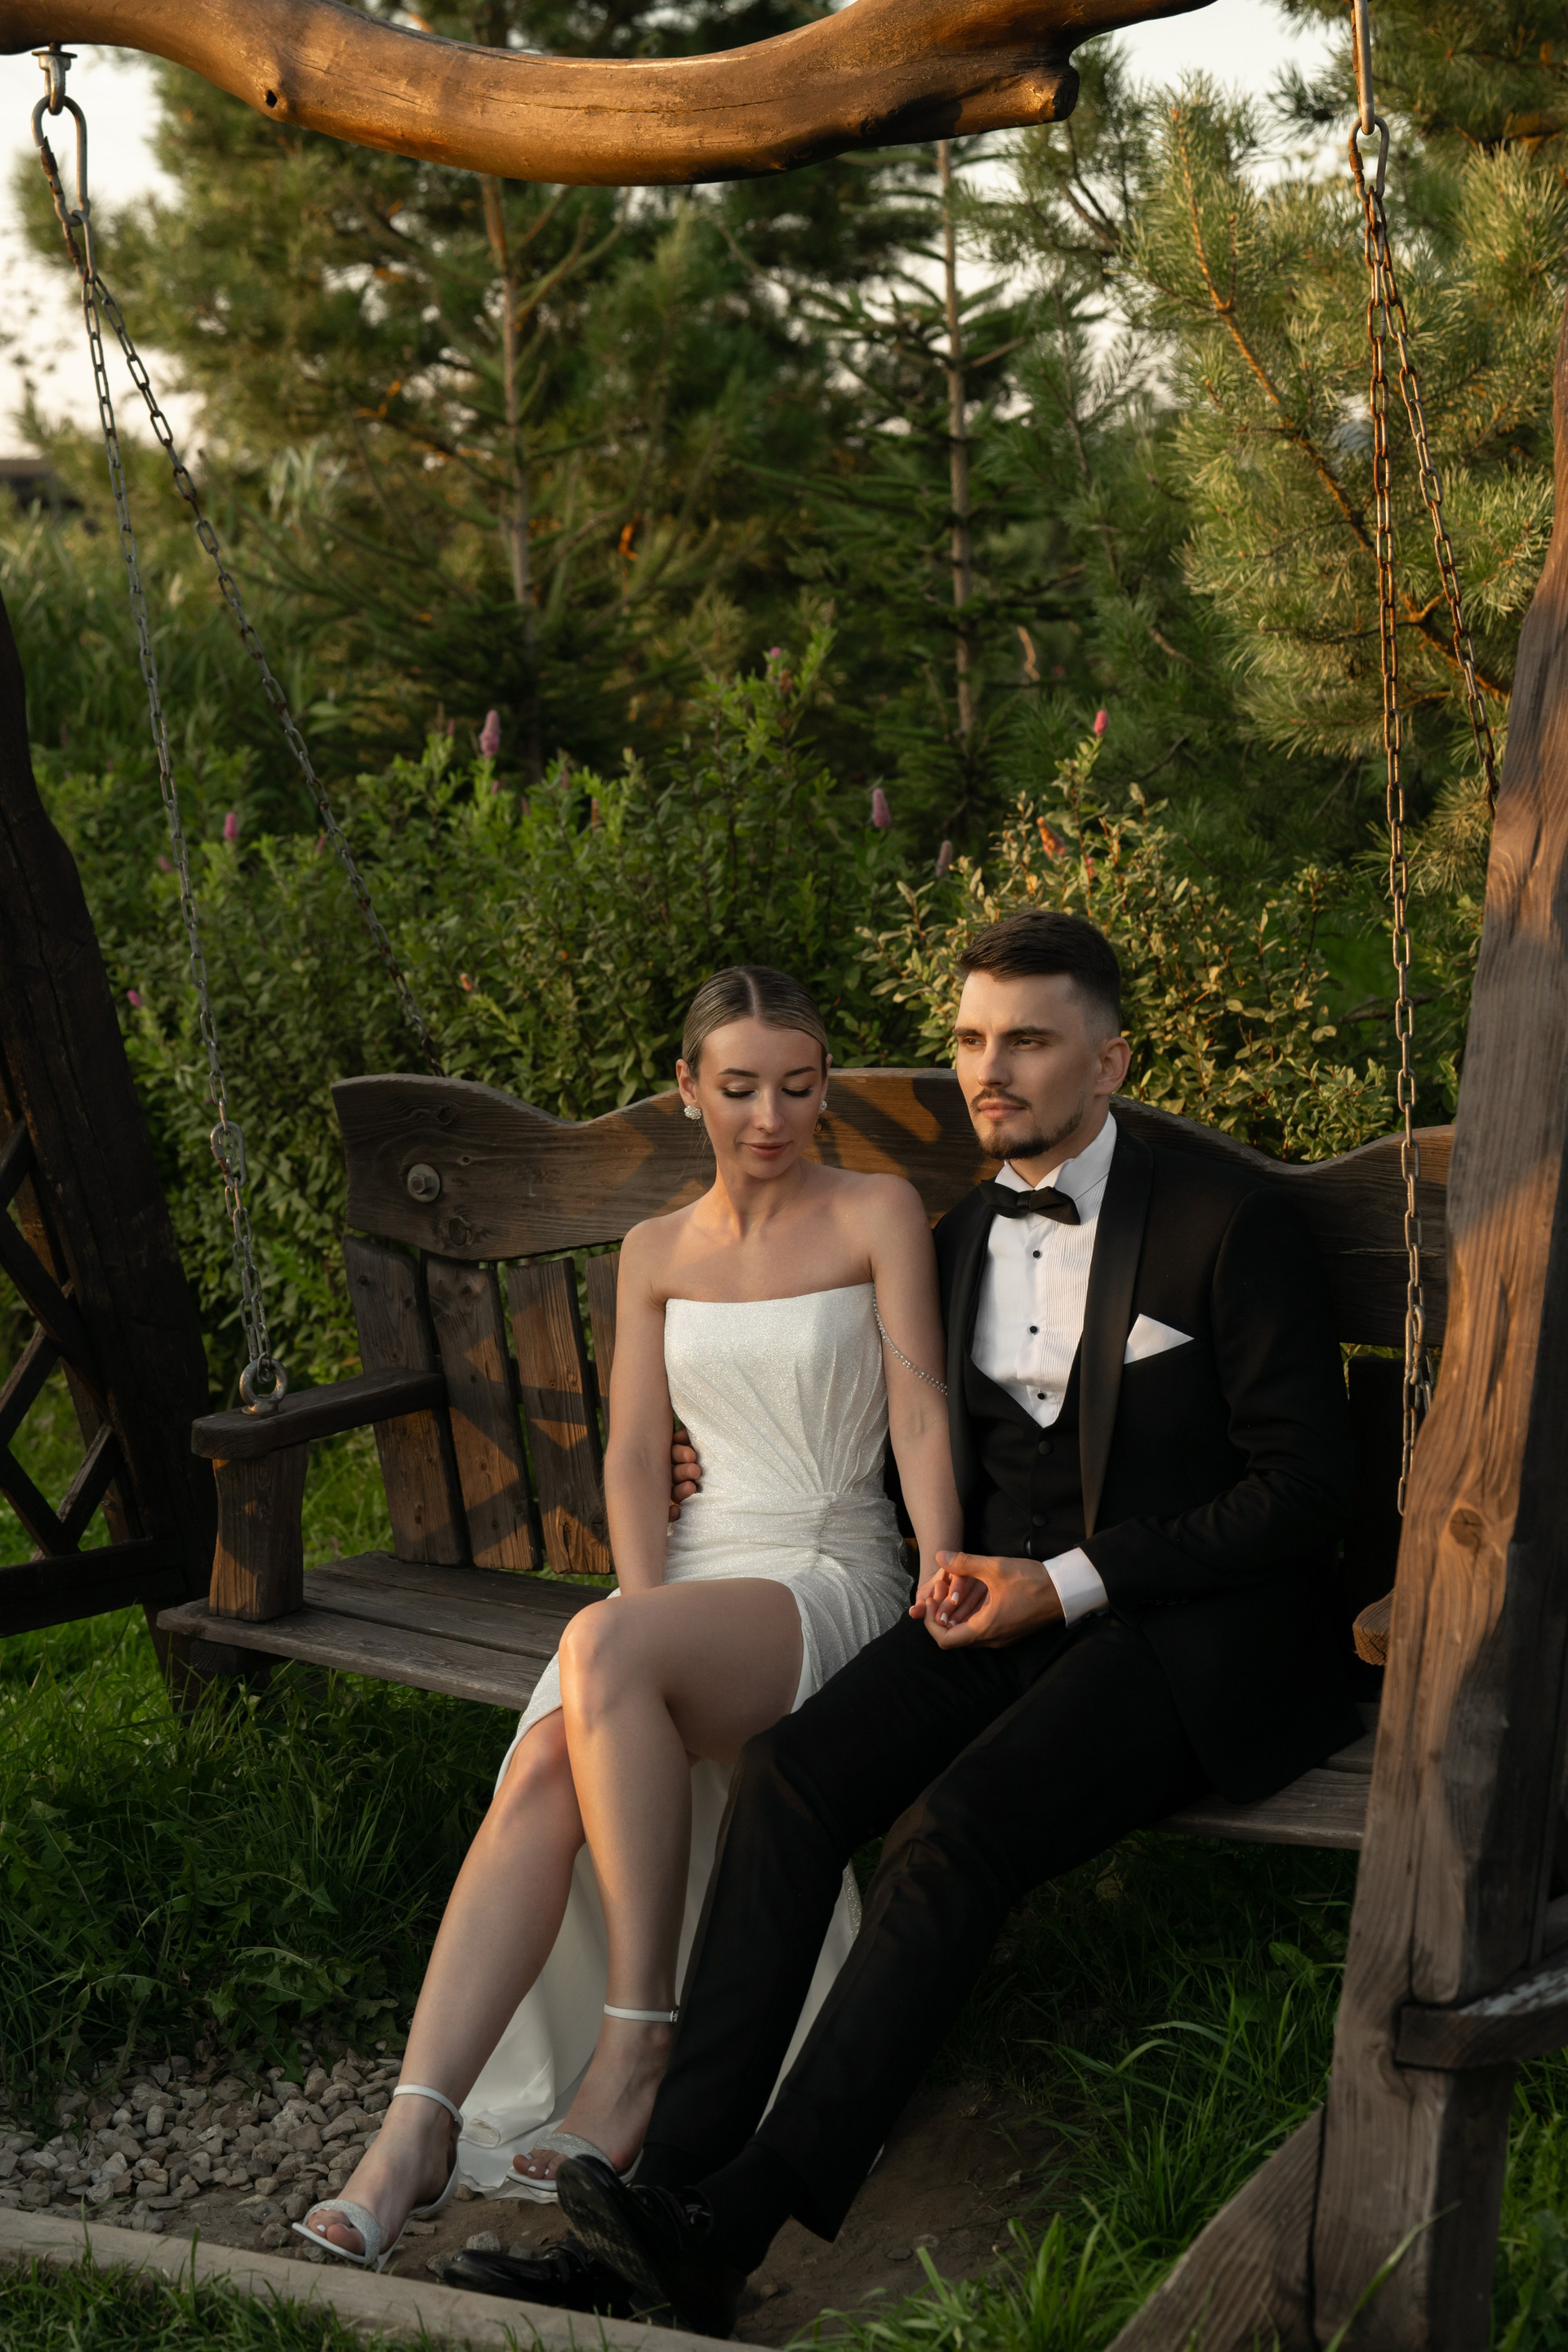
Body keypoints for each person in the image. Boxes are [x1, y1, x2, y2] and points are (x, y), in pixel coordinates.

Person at [550, 906, 1361, 2336]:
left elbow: (1305, 1494)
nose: (992, 1069)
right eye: (974, 1039)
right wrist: (693, 1458)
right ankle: (659, 2195)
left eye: (1030, 1041)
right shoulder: (963, 1235)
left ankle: (739, 2220)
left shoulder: (1229, 1225)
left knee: (955, 1827)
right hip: (1001, 1605)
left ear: (1109, 1062)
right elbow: (885, 1418)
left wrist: (1076, 1579)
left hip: (1186, 1632)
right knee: (792, 1776)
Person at [293, 964, 961, 2283]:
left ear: (825, 1087)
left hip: (828, 1564)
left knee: (601, 1657)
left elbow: (922, 1410)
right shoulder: (651, 1251)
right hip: (694, 1576)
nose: (771, 1117)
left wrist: (942, 1572)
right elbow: (636, 1451)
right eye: (740, 1087)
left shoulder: (877, 1212)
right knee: (554, 1750)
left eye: (799, 1087)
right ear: (688, 1090)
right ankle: (411, 2136)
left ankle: (639, 2045)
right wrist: (648, 1611)